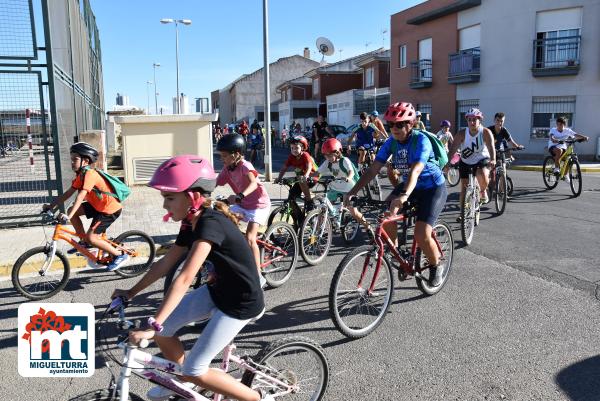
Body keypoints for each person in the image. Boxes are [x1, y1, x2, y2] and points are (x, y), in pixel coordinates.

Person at [112, 155, 271, 401]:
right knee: (165, 334)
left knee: (194, 366)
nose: (165, 206)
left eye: (169, 198)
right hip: (217, 291)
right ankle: (185, 379)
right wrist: (130, 293)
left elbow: (185, 277)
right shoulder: (190, 222)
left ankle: (257, 398)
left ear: (193, 197)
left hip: (240, 304)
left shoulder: (210, 223)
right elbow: (166, 263)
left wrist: (153, 326)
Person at [344, 102, 448, 286]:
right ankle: (399, 253)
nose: (395, 128)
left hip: (432, 187)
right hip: (410, 185)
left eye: (400, 124)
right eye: (391, 124)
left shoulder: (420, 141)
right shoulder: (391, 143)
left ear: (412, 123)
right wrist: (352, 192)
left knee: (422, 232)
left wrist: (404, 196)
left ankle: (435, 264)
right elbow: (372, 170)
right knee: (387, 216)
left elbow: (416, 170)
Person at [42, 142, 127, 271]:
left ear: (85, 161)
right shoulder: (81, 175)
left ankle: (120, 255)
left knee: (92, 237)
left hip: (108, 210)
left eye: (75, 159)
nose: (72, 162)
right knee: (72, 211)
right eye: (71, 159)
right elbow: (68, 194)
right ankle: (84, 242)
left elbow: (80, 196)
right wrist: (50, 206)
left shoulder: (90, 174)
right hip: (97, 206)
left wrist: (67, 216)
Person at [216, 134, 270, 285]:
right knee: (220, 215)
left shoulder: (245, 166)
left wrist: (240, 196)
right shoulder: (227, 169)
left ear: (237, 154)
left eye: (224, 156)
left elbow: (253, 184)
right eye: (221, 156)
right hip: (243, 204)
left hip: (259, 205)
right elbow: (215, 183)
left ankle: (258, 276)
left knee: (250, 238)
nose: (222, 159)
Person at [446, 108, 495, 207]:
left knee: (481, 173)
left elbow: (491, 147)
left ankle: (483, 191)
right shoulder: (462, 133)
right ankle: (463, 215)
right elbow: (453, 149)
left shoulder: (485, 132)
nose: (472, 122)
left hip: (481, 159)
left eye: (474, 120)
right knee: (464, 188)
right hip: (466, 161)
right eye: (469, 120)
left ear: (479, 120)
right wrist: (447, 163)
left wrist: (493, 159)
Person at [318, 138, 370, 233]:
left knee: (353, 211)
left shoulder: (344, 160)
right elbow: (317, 173)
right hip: (335, 186)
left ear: (337, 153)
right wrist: (306, 176)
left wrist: (348, 178)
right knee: (324, 207)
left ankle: (368, 227)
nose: (327, 158)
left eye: (330, 155)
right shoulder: (327, 163)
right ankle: (318, 231)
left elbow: (351, 172)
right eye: (326, 155)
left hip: (349, 187)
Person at [275, 136, 318, 211]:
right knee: (292, 195)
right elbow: (284, 169)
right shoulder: (291, 157)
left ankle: (309, 202)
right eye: (292, 148)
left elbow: (309, 166)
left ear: (302, 148)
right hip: (301, 179)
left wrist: (306, 175)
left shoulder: (305, 155)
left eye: (296, 148)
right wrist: (279, 178)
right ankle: (297, 217)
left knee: (301, 181)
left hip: (312, 177)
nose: (294, 150)